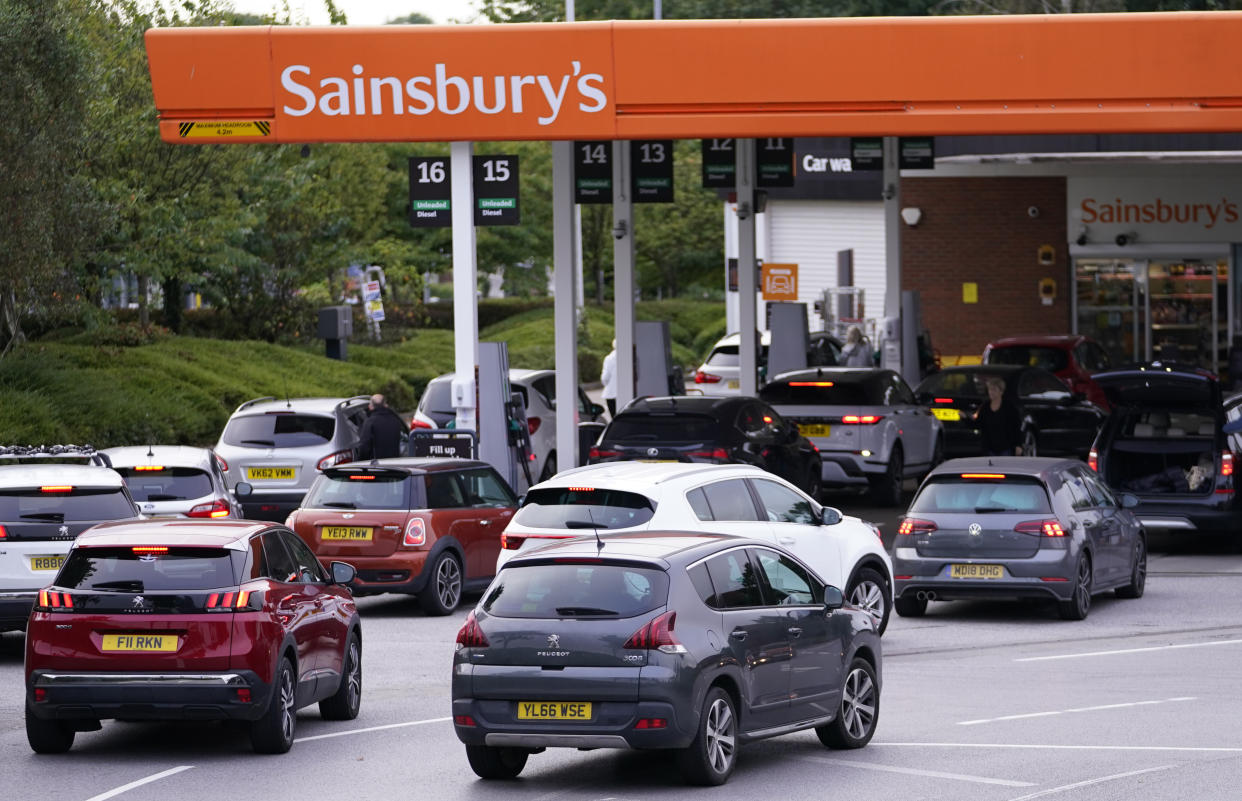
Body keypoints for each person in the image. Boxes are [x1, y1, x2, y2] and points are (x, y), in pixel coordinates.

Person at [973, 376, 1024, 456]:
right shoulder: (985, 407)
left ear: (1001, 391)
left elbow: (1016, 427)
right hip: (989, 448)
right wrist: (965, 418)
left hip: (1006, 447)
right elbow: (978, 424)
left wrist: (1018, 445)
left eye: (994, 390)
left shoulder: (1009, 407)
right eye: (990, 389)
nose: (991, 392)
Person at [356, 393, 405, 460]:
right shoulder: (395, 419)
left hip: (378, 466)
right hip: (395, 463)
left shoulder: (370, 422)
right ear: (385, 405)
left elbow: (364, 447)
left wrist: (359, 462)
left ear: (371, 406)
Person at [600, 339, 618, 417]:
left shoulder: (609, 358)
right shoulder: (629, 356)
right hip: (625, 393)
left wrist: (606, 384)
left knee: (614, 418)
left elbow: (605, 377)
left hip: (611, 393)